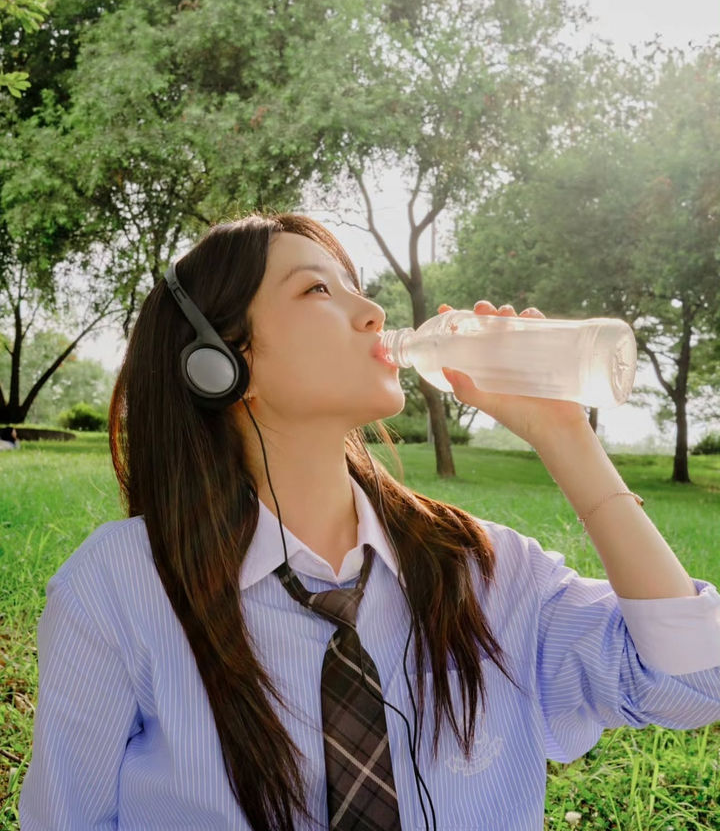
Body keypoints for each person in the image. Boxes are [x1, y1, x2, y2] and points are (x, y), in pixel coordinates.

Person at [20, 213, 720, 831]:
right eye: (317, 289)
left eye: (355, 286)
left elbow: (691, 683)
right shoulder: (117, 588)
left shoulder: (482, 569)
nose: (373, 313)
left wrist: (566, 438)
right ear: (224, 364)